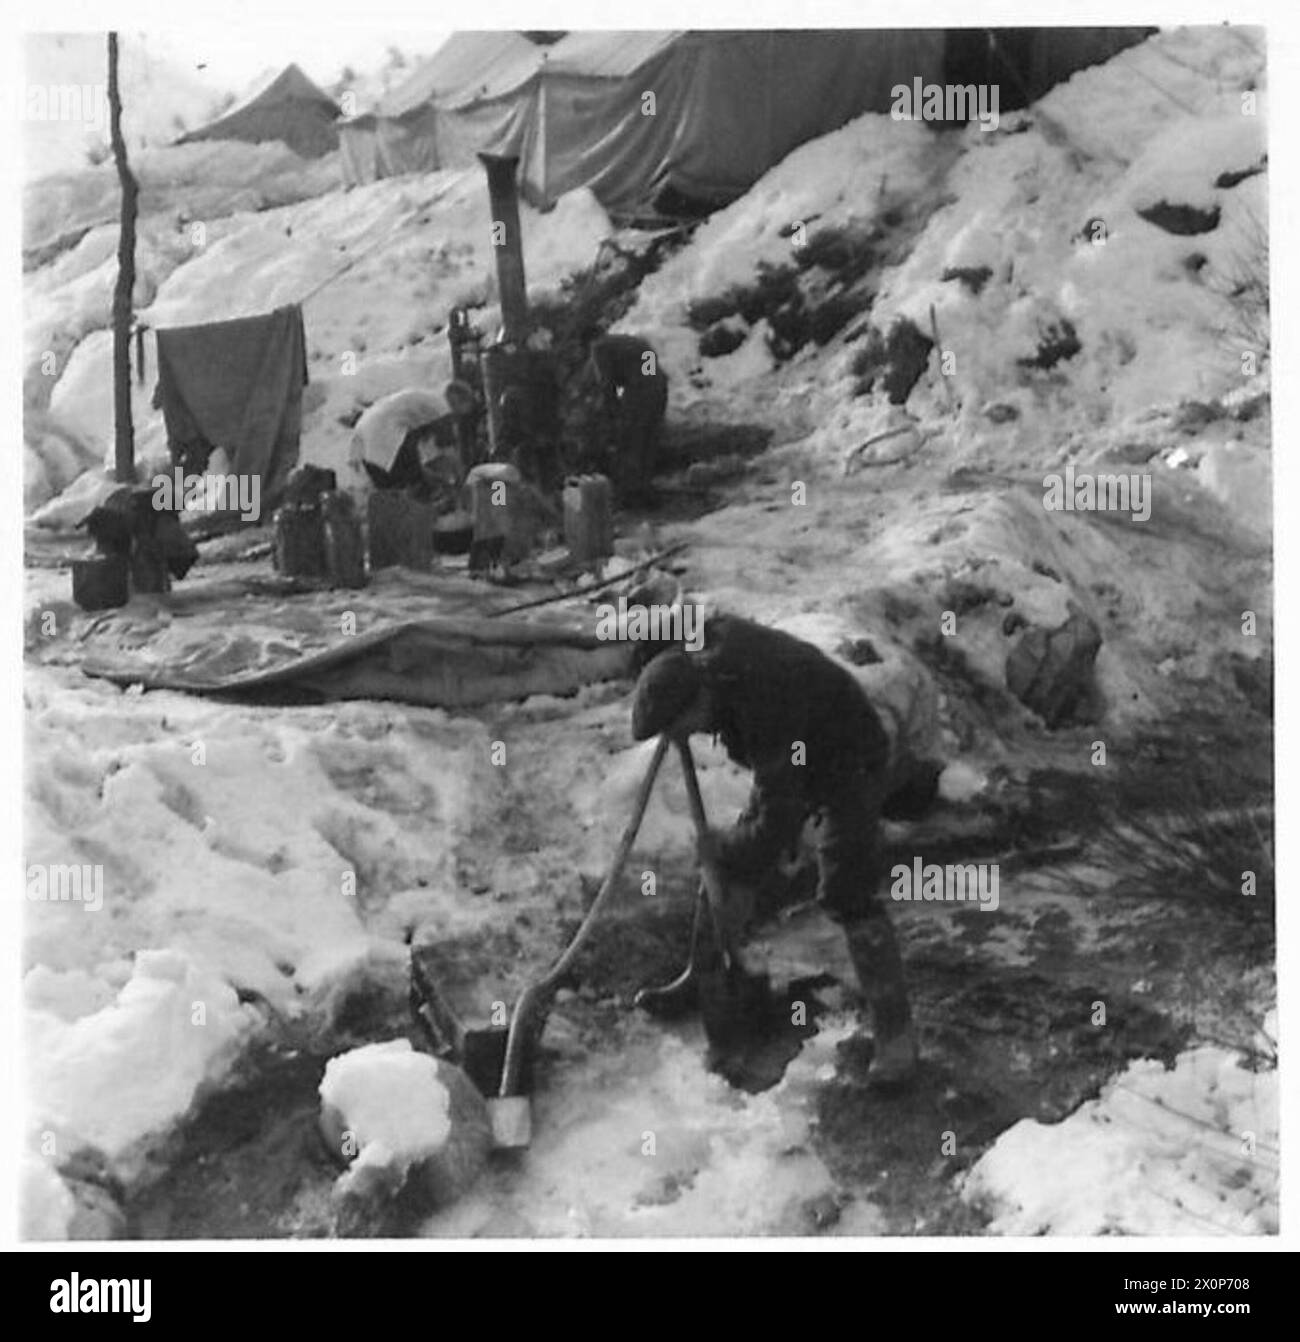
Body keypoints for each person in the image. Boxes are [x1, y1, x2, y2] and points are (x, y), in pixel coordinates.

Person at [630, 613, 931, 1086]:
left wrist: (728, 847)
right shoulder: (705, 654)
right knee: (728, 864)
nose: (678, 739)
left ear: (701, 697)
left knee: (844, 885)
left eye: (680, 726)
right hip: (795, 749)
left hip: (848, 755)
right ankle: (703, 975)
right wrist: (650, 672)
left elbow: (779, 818)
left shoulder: (765, 696)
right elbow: (675, 624)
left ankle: (897, 1035)